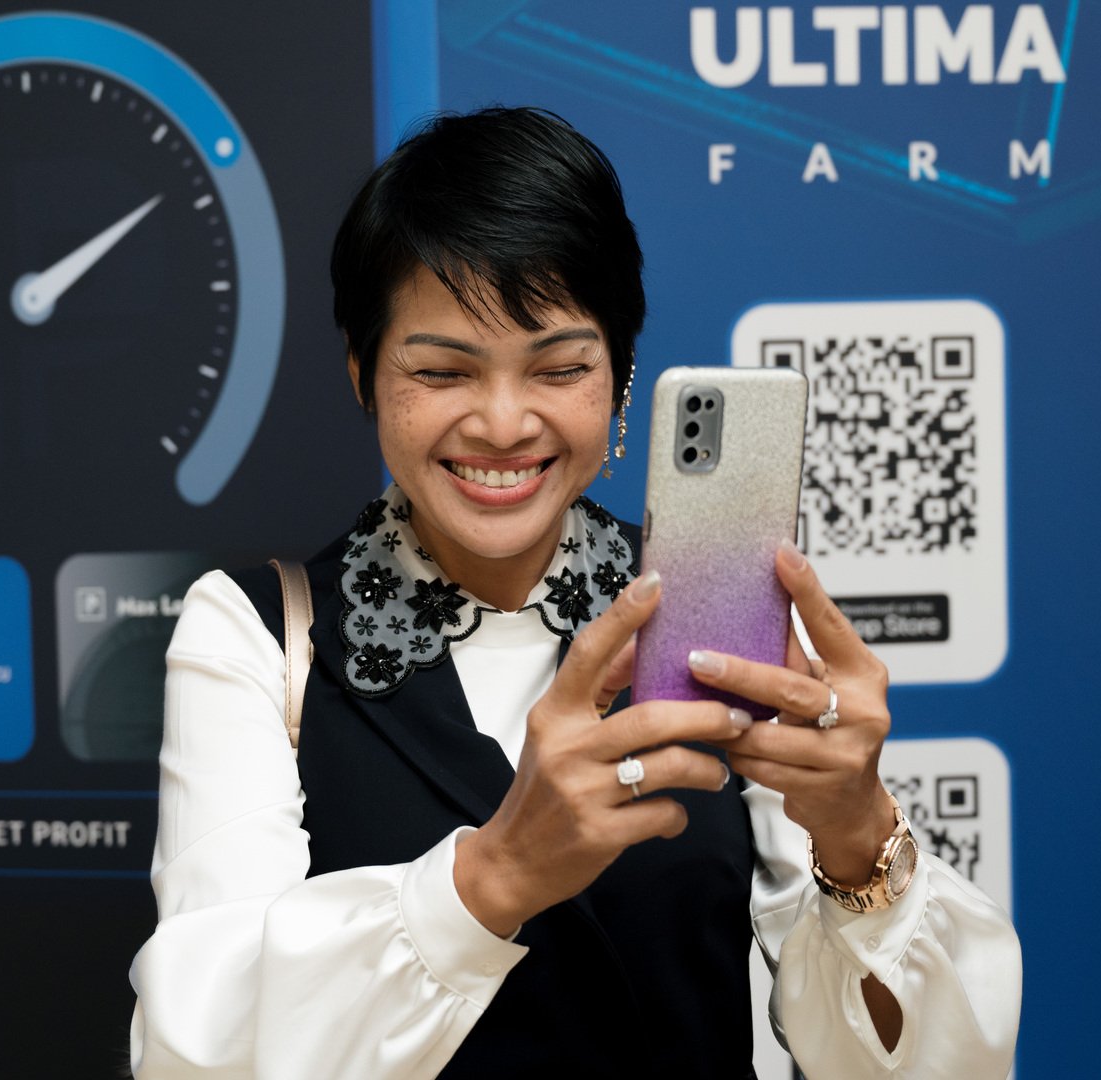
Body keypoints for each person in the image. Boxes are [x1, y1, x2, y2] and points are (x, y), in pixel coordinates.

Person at [129, 107, 1020, 1078]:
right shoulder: (260, 634)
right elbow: (195, 1053)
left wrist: (857, 836)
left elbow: (914, 1065)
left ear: (621, 378)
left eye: (558, 368)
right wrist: (497, 874)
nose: (503, 422)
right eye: (442, 371)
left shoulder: (717, 610)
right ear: (363, 372)